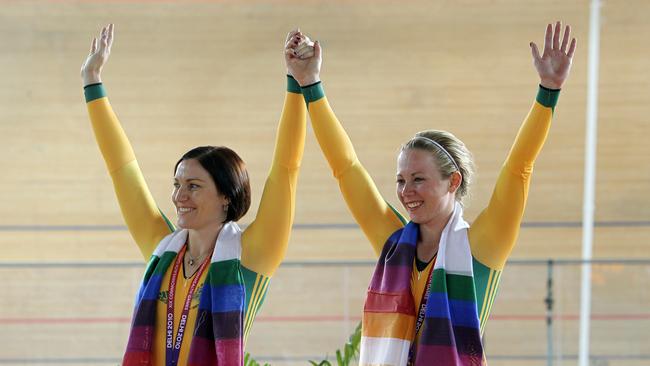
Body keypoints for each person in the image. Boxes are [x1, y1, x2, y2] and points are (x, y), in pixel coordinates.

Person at [287, 22, 576, 365]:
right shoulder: (394, 242)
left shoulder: (483, 245)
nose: (406, 191)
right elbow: (346, 168)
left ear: (453, 181)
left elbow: (518, 169)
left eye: (419, 179)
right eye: (401, 180)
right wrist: (310, 84)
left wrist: (548, 91)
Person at [81, 24, 308, 365]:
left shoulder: (254, 255)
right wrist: (92, 82)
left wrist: (297, 84)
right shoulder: (164, 250)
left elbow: (286, 167)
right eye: (176, 185)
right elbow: (121, 169)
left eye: (193, 186)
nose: (179, 196)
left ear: (226, 196)